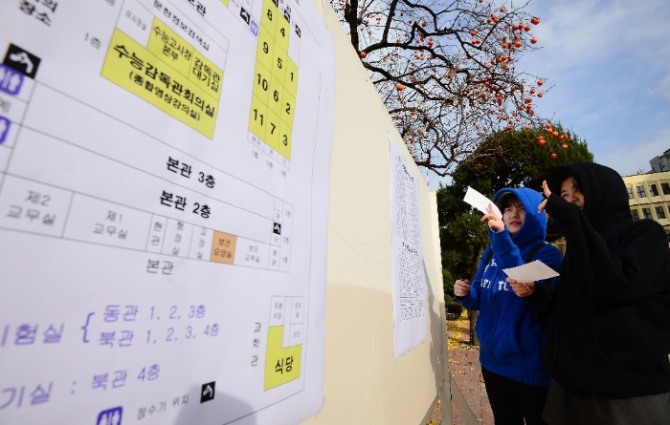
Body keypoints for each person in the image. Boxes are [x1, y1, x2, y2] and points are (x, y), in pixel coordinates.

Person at [533, 162, 670, 425]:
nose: (571, 201)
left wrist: (572, 221)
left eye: (578, 191)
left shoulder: (645, 235)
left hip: (625, 397)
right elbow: (563, 316)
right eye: (564, 196)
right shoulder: (577, 251)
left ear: (604, 192)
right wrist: (533, 295)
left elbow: (616, 284)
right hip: (570, 390)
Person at [454, 187, 563, 425]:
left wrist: (501, 238)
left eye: (522, 209)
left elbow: (519, 276)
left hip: (531, 371)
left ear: (537, 215)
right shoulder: (489, 254)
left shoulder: (548, 254)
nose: (514, 214)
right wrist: (464, 293)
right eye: (508, 209)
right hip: (493, 366)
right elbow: (477, 299)